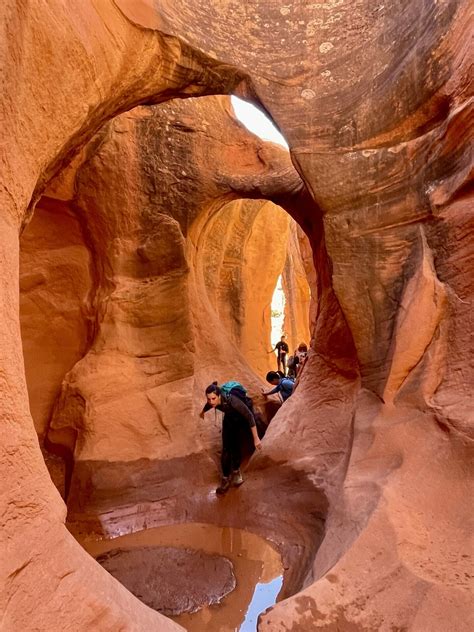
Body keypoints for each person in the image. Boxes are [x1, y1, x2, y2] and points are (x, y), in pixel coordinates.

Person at [200, 382, 262, 495]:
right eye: (209, 399)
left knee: (235, 446)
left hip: (240, 420)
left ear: (219, 396)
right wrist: (202, 412)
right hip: (229, 419)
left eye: (213, 398)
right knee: (226, 448)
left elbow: (249, 416)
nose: (211, 401)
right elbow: (208, 404)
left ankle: (236, 472)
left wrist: (256, 438)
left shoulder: (232, 401)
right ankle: (225, 478)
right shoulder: (213, 402)